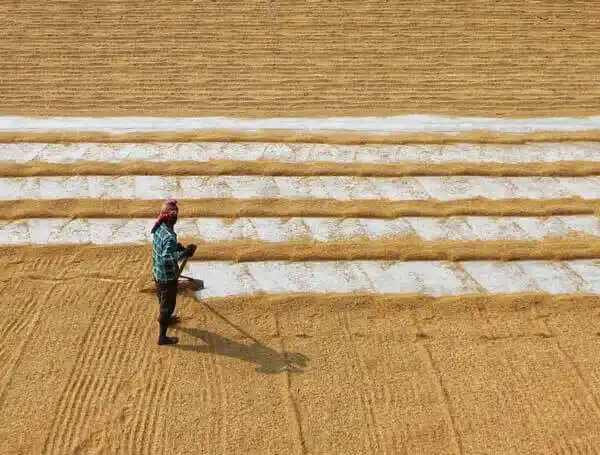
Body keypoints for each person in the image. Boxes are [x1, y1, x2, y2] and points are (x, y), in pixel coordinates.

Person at [151, 198, 197, 345]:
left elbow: (166, 248)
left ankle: (166, 317)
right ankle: (162, 337)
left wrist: (181, 248)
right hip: (167, 277)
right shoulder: (170, 236)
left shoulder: (159, 227)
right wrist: (184, 253)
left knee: (162, 298)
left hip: (158, 273)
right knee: (168, 305)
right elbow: (167, 257)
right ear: (174, 218)